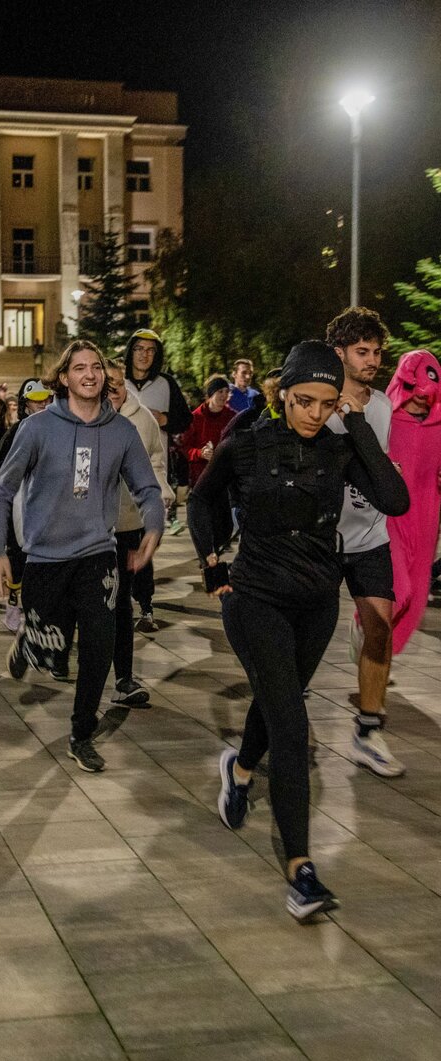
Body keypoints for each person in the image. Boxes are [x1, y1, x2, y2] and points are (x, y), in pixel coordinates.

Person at [188, 341, 408, 921]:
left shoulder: (340, 448)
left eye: (327, 403)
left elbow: (395, 499)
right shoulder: (247, 442)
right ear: (282, 393)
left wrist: (356, 423)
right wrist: (212, 566)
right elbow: (202, 501)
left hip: (315, 606)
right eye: (304, 400)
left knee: (276, 700)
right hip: (255, 600)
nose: (314, 413)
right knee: (291, 725)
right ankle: (301, 872)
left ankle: (239, 770)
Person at [0, 340, 165, 773]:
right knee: (54, 650)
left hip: (98, 553)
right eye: (80, 367)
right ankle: (33, 641)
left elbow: (147, 487)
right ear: (63, 378)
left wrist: (154, 528)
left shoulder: (121, 431)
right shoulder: (37, 428)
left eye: (96, 367)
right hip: (45, 558)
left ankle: (81, 733)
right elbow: (0, 492)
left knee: (100, 644)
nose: (90, 374)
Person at [325, 307, 404, 777]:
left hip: (370, 536)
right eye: (362, 351)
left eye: (376, 352)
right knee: (306, 638)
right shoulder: (319, 401)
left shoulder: (382, 405)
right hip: (323, 540)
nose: (372, 360)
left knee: (379, 628)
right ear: (340, 353)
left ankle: (368, 731)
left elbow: (379, 462)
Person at [102, 360, 174, 710]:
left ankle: (123, 680)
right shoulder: (81, 418)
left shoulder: (141, 419)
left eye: (119, 383)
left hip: (127, 524)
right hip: (87, 531)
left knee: (119, 603)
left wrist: (161, 497)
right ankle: (54, 645)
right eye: (108, 383)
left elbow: (155, 464)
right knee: (87, 602)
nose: (114, 389)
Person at [123, 327, 191, 631]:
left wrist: (163, 419)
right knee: (121, 541)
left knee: (146, 540)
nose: (144, 355)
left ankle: (145, 605)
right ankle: (122, 600)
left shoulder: (166, 384)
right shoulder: (118, 382)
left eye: (150, 350)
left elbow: (185, 420)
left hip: (151, 476)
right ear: (130, 352)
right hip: (117, 477)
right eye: (139, 349)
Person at [384, 349, 441, 657]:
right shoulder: (383, 419)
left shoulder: (439, 427)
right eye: (415, 391)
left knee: (416, 597)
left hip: (426, 520)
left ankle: (381, 655)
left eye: (427, 395)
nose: (421, 399)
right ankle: (368, 629)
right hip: (388, 519)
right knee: (399, 591)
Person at [0, 378, 54, 633]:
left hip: (49, 505)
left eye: (45, 400)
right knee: (18, 556)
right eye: (36, 401)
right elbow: (1, 472)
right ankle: (14, 602)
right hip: (20, 505)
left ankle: (41, 609)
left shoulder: (59, 429)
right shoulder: (15, 433)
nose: (41, 405)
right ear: (25, 404)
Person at [180, 375, 235, 487]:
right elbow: (185, 449)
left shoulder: (232, 417)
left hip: (225, 477)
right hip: (200, 478)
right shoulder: (195, 418)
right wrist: (200, 453)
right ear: (211, 393)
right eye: (220, 391)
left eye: (226, 391)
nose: (224, 395)